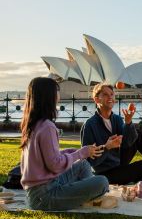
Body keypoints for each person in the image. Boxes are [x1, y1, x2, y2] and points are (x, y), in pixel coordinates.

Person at [20, 77, 109, 211]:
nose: (59, 95)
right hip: (44, 196)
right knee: (102, 182)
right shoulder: (47, 127)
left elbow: (44, 158)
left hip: (40, 190)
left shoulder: (33, 124)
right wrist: (81, 153)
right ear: (49, 96)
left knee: (83, 164)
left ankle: (84, 194)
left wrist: (70, 152)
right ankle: (87, 195)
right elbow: (55, 165)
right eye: (57, 91)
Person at [81, 82, 142, 185]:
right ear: (96, 100)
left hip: (118, 162)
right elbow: (89, 161)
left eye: (112, 94)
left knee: (137, 134)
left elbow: (127, 142)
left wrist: (128, 122)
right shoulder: (89, 125)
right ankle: (137, 181)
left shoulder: (117, 119)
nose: (110, 97)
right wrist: (107, 147)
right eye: (105, 94)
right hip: (104, 172)